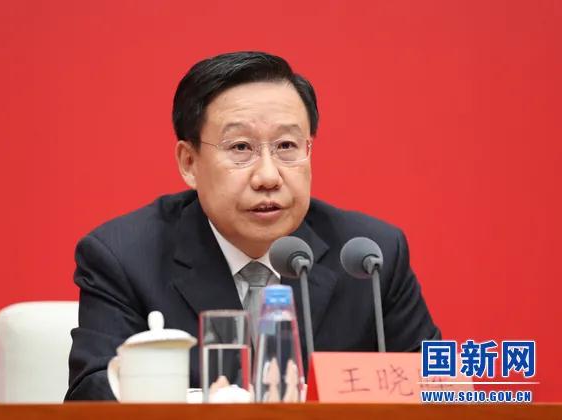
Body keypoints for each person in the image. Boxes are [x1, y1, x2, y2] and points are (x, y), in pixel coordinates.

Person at [65, 51, 440, 401]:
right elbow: (91, 396)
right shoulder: (125, 258)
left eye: (287, 146)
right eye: (241, 148)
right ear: (189, 162)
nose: (268, 176)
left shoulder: (369, 257)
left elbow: (437, 387)